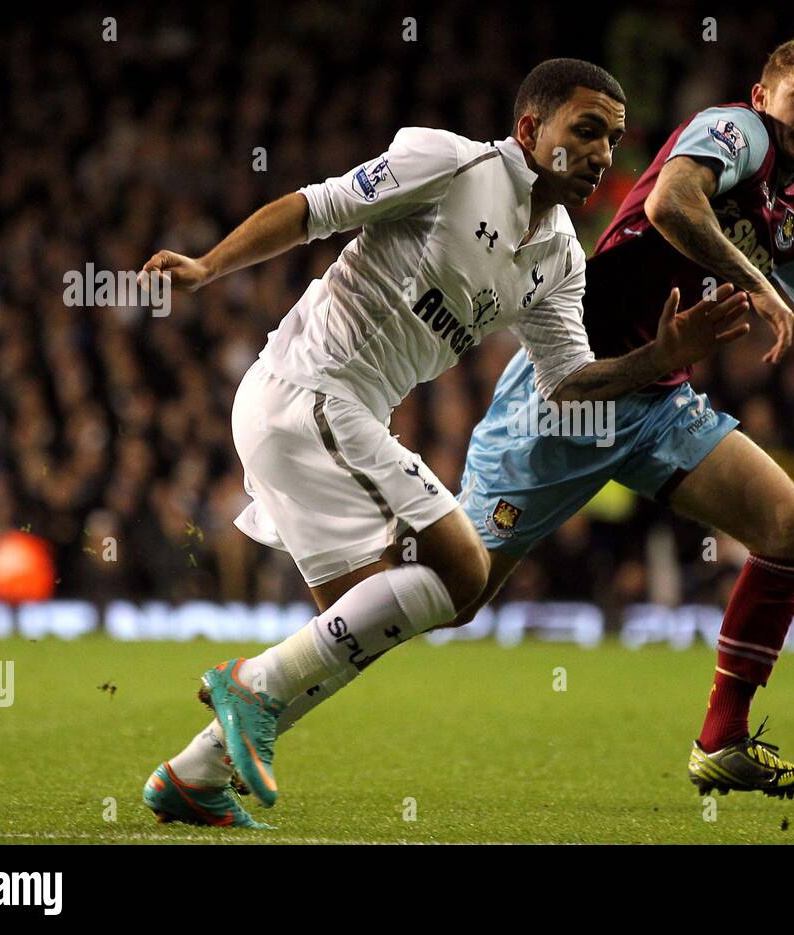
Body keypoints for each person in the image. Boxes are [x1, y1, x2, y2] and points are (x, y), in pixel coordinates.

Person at [137, 58, 752, 827]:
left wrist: (659, 361)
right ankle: (248, 686)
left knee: (356, 629)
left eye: (615, 139)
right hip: (310, 391)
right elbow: (312, 209)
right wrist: (207, 267)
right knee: (462, 571)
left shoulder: (560, 257)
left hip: (340, 415)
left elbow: (566, 380)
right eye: (585, 130)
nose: (601, 154)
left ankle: (192, 773)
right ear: (531, 129)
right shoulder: (449, 162)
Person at [452, 30, 794, 798]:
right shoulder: (734, 133)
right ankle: (286, 651)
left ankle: (721, 741)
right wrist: (755, 283)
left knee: (793, 528)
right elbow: (671, 202)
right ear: (765, 96)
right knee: (453, 596)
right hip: (577, 384)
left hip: (658, 400)